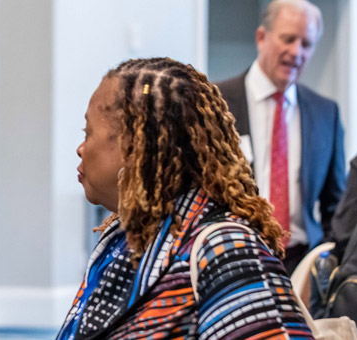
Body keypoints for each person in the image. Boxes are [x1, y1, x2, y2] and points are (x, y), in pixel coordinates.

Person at [58, 57, 314, 339]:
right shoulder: (126, 239)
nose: (81, 148)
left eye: (89, 132)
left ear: (134, 146)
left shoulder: (227, 249)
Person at [215, 0, 346, 273]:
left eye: (306, 44)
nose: (296, 52)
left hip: (302, 265)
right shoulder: (216, 103)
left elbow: (336, 206)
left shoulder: (326, 113)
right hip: (233, 260)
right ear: (262, 37)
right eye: (288, 39)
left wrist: (325, 264)